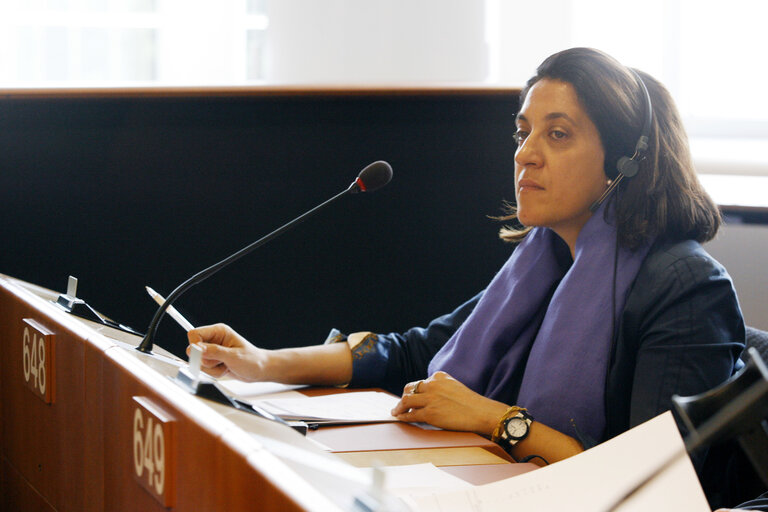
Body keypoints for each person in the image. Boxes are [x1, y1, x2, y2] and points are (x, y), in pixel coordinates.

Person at [187, 47, 744, 485]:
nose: (525, 153)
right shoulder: (546, 261)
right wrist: (263, 362)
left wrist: (493, 418)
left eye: (558, 134)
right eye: (523, 132)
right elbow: (415, 350)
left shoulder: (684, 287)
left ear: (624, 163)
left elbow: (657, 486)